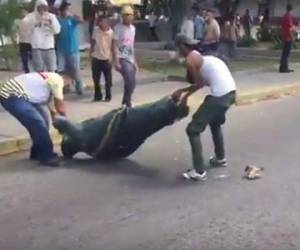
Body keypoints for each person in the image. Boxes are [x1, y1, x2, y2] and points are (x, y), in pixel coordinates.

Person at [174, 34, 236, 181]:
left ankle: (199, 171)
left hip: (220, 96)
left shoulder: (190, 60)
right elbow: (201, 83)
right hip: (231, 93)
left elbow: (199, 84)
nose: (178, 52)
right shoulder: (204, 58)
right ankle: (220, 158)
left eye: (178, 48)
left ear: (182, 47)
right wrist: (185, 93)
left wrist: (183, 93)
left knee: (193, 129)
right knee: (214, 123)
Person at [53, 92, 189, 160]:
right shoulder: (82, 136)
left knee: (149, 125)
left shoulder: (89, 147)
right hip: (120, 125)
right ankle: (171, 107)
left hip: (123, 141)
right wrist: (58, 123)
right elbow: (61, 122)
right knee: (148, 114)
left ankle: (171, 110)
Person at [0, 72, 69, 167]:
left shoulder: (46, 84)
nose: (67, 88)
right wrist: (68, 124)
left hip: (23, 97)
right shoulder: (58, 80)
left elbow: (54, 111)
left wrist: (58, 122)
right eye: (68, 84)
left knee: (44, 121)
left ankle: (37, 152)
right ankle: (47, 156)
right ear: (66, 79)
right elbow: (60, 107)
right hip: (14, 94)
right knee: (38, 123)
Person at [56, 1, 85, 95]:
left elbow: (81, 21)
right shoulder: (58, 20)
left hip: (73, 49)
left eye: (68, 9)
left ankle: (79, 87)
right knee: (62, 70)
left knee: (75, 69)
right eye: (66, 9)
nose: (67, 11)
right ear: (61, 10)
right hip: (61, 49)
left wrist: (74, 15)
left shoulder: (71, 19)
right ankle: (64, 86)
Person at [25, 0, 61, 72]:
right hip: (37, 48)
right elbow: (26, 30)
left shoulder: (51, 16)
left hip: (49, 47)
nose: (43, 10)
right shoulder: (30, 17)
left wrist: (51, 23)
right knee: (39, 70)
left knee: (52, 70)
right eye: (40, 7)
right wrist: (36, 22)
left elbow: (57, 31)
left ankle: (51, 83)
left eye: (44, 7)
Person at [113, 5, 138, 108]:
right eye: (126, 15)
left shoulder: (133, 29)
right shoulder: (118, 28)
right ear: (122, 16)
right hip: (121, 58)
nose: (128, 17)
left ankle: (125, 102)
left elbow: (132, 45)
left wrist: (135, 61)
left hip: (130, 58)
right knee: (129, 80)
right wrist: (116, 61)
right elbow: (114, 45)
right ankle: (127, 104)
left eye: (130, 15)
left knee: (132, 83)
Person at [91, 16, 114, 102]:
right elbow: (93, 42)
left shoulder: (111, 33)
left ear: (106, 23)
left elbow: (113, 46)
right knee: (96, 79)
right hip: (96, 57)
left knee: (108, 80)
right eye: (99, 23)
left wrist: (112, 58)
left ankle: (108, 96)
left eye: (102, 23)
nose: (100, 24)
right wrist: (91, 53)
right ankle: (98, 96)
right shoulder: (96, 30)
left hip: (106, 58)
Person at [279, 4, 296, 73]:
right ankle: (284, 68)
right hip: (288, 37)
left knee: (284, 53)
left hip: (284, 36)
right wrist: (292, 37)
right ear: (291, 10)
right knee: (286, 54)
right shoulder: (288, 17)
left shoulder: (285, 16)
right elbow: (289, 28)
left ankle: (283, 67)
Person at [15, 9, 32, 73]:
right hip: (23, 42)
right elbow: (17, 33)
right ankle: (27, 70)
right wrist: (17, 41)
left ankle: (28, 70)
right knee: (25, 58)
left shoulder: (29, 22)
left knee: (27, 57)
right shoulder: (18, 22)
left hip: (29, 41)